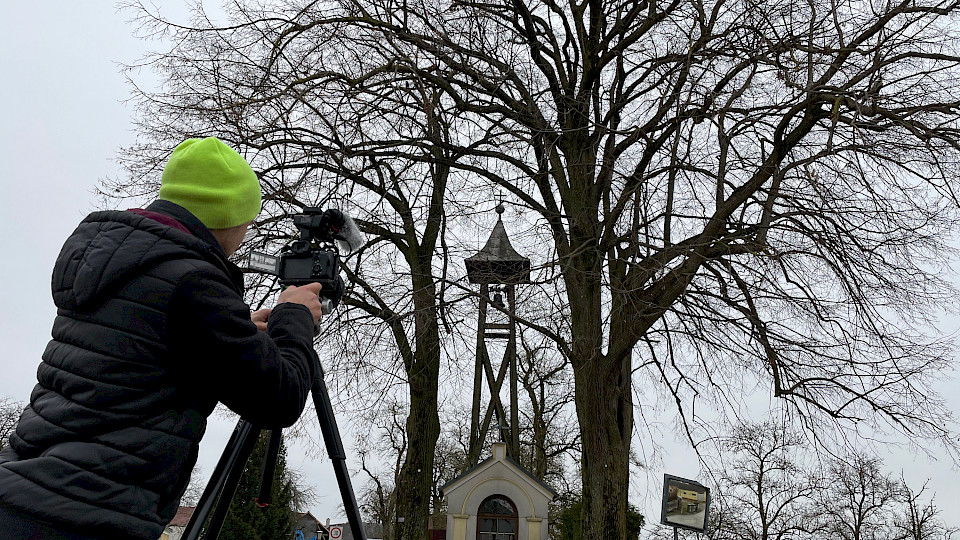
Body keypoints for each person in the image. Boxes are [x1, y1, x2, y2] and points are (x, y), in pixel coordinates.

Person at [0, 137, 323, 539]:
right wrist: (294, 316)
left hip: (20, 494)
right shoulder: (194, 281)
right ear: (228, 218)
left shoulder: (117, 258)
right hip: (92, 514)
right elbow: (280, 398)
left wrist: (234, 328)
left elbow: (145, 342)